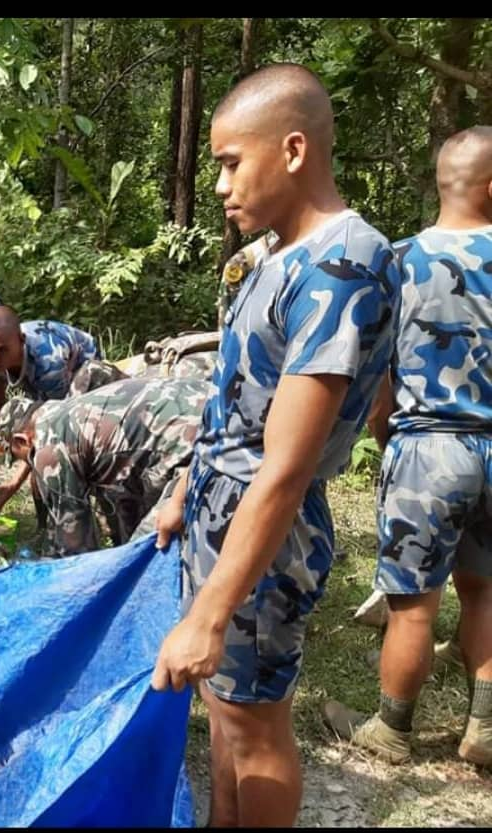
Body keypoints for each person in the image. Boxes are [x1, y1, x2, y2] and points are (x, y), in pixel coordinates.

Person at [149, 64, 399, 827]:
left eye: (230, 162)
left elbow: (286, 464)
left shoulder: (340, 264)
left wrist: (209, 613)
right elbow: (237, 401)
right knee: (227, 713)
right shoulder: (280, 258)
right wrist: (184, 491)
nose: (221, 185)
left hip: (267, 527)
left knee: (256, 729)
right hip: (224, 509)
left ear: (293, 150)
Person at [323, 125, 492, 767]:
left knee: (413, 606)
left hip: (428, 448)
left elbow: (375, 375)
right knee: (485, 591)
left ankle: (390, 731)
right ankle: (484, 730)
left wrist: (384, 433)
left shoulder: (397, 262)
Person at [0, 377, 209, 555]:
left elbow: (74, 543)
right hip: (214, 409)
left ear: (22, 439)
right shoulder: (64, 410)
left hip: (193, 446)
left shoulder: (48, 448)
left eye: (18, 456)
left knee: (141, 555)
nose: (27, 464)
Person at [0, 305, 124, 517]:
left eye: (1, 350)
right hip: (40, 378)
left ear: (20, 340)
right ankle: (43, 527)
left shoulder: (49, 363)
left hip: (83, 372)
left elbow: (51, 433)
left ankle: (98, 514)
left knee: (55, 459)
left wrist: (12, 485)